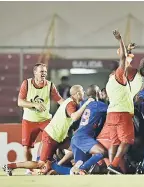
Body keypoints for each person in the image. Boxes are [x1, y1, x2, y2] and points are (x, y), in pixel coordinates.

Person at [3, 85, 93, 176]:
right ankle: (10, 166)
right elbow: (74, 117)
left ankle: (70, 168)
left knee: (77, 147)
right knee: (40, 164)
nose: (84, 93)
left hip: (59, 137)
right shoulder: (71, 104)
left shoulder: (70, 102)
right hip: (51, 137)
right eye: (82, 91)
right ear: (77, 94)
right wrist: (86, 104)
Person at [97, 30, 134, 174]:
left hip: (110, 114)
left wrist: (129, 50)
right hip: (122, 114)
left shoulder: (109, 81)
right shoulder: (119, 76)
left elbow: (126, 58)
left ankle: (111, 168)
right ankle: (115, 164)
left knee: (115, 142)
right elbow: (123, 58)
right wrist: (120, 40)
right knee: (127, 141)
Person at [17, 63, 64, 175]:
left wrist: (69, 106)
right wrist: (35, 105)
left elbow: (60, 100)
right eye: (41, 71)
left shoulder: (50, 85)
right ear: (35, 72)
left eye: (45, 72)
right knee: (27, 147)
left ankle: (50, 165)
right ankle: (29, 169)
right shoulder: (26, 84)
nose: (44, 74)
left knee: (54, 141)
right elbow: (20, 102)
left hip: (45, 120)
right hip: (29, 120)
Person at [70, 85, 108, 175]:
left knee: (80, 170)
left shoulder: (84, 104)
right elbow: (114, 110)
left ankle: (54, 168)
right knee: (102, 152)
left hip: (76, 138)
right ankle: (80, 168)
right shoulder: (99, 105)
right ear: (98, 93)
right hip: (83, 137)